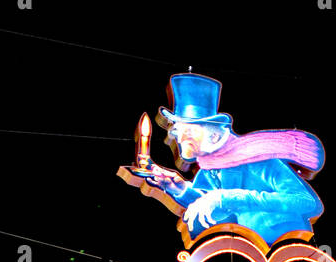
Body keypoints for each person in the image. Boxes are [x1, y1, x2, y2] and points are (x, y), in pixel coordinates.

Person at [125, 72, 324, 247]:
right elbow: (207, 202)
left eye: (188, 130)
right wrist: (178, 188)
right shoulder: (210, 167)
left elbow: (306, 202)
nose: (178, 136)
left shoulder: (258, 158)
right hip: (245, 249)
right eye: (177, 129)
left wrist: (226, 197)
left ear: (213, 135)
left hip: (286, 245)